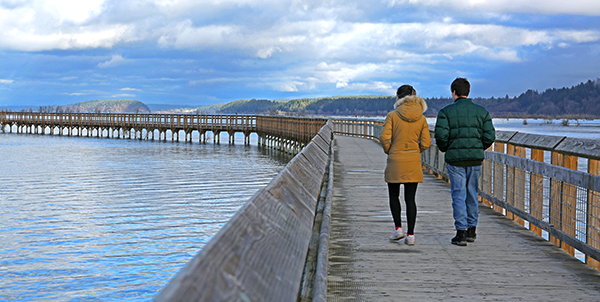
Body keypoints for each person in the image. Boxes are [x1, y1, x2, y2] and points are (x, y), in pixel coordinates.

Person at [434, 77, 495, 246]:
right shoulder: (481, 112)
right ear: (467, 92)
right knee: (472, 194)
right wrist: (477, 148)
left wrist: (447, 148)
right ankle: (472, 230)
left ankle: (460, 232)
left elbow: (441, 136)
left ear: (453, 92)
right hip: (475, 160)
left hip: (455, 161)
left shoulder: (445, 112)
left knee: (458, 194)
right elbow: (490, 136)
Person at [380, 85, 431, 245]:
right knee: (410, 199)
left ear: (398, 98)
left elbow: (383, 137)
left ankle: (398, 229)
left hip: (395, 159)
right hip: (413, 161)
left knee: (394, 196)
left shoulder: (392, 116)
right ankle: (410, 235)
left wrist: (390, 150)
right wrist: (417, 151)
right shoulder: (421, 118)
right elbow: (426, 142)